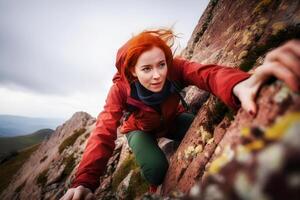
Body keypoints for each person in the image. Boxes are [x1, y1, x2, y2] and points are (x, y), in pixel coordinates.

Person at [60, 29, 300, 200]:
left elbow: (205, 73)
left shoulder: (175, 69)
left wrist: (240, 84)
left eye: (161, 64)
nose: (157, 75)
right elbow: (103, 129)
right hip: (139, 129)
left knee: (203, 130)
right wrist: (84, 181)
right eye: (146, 68)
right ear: (132, 71)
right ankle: (157, 190)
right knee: (156, 169)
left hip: (171, 119)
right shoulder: (120, 90)